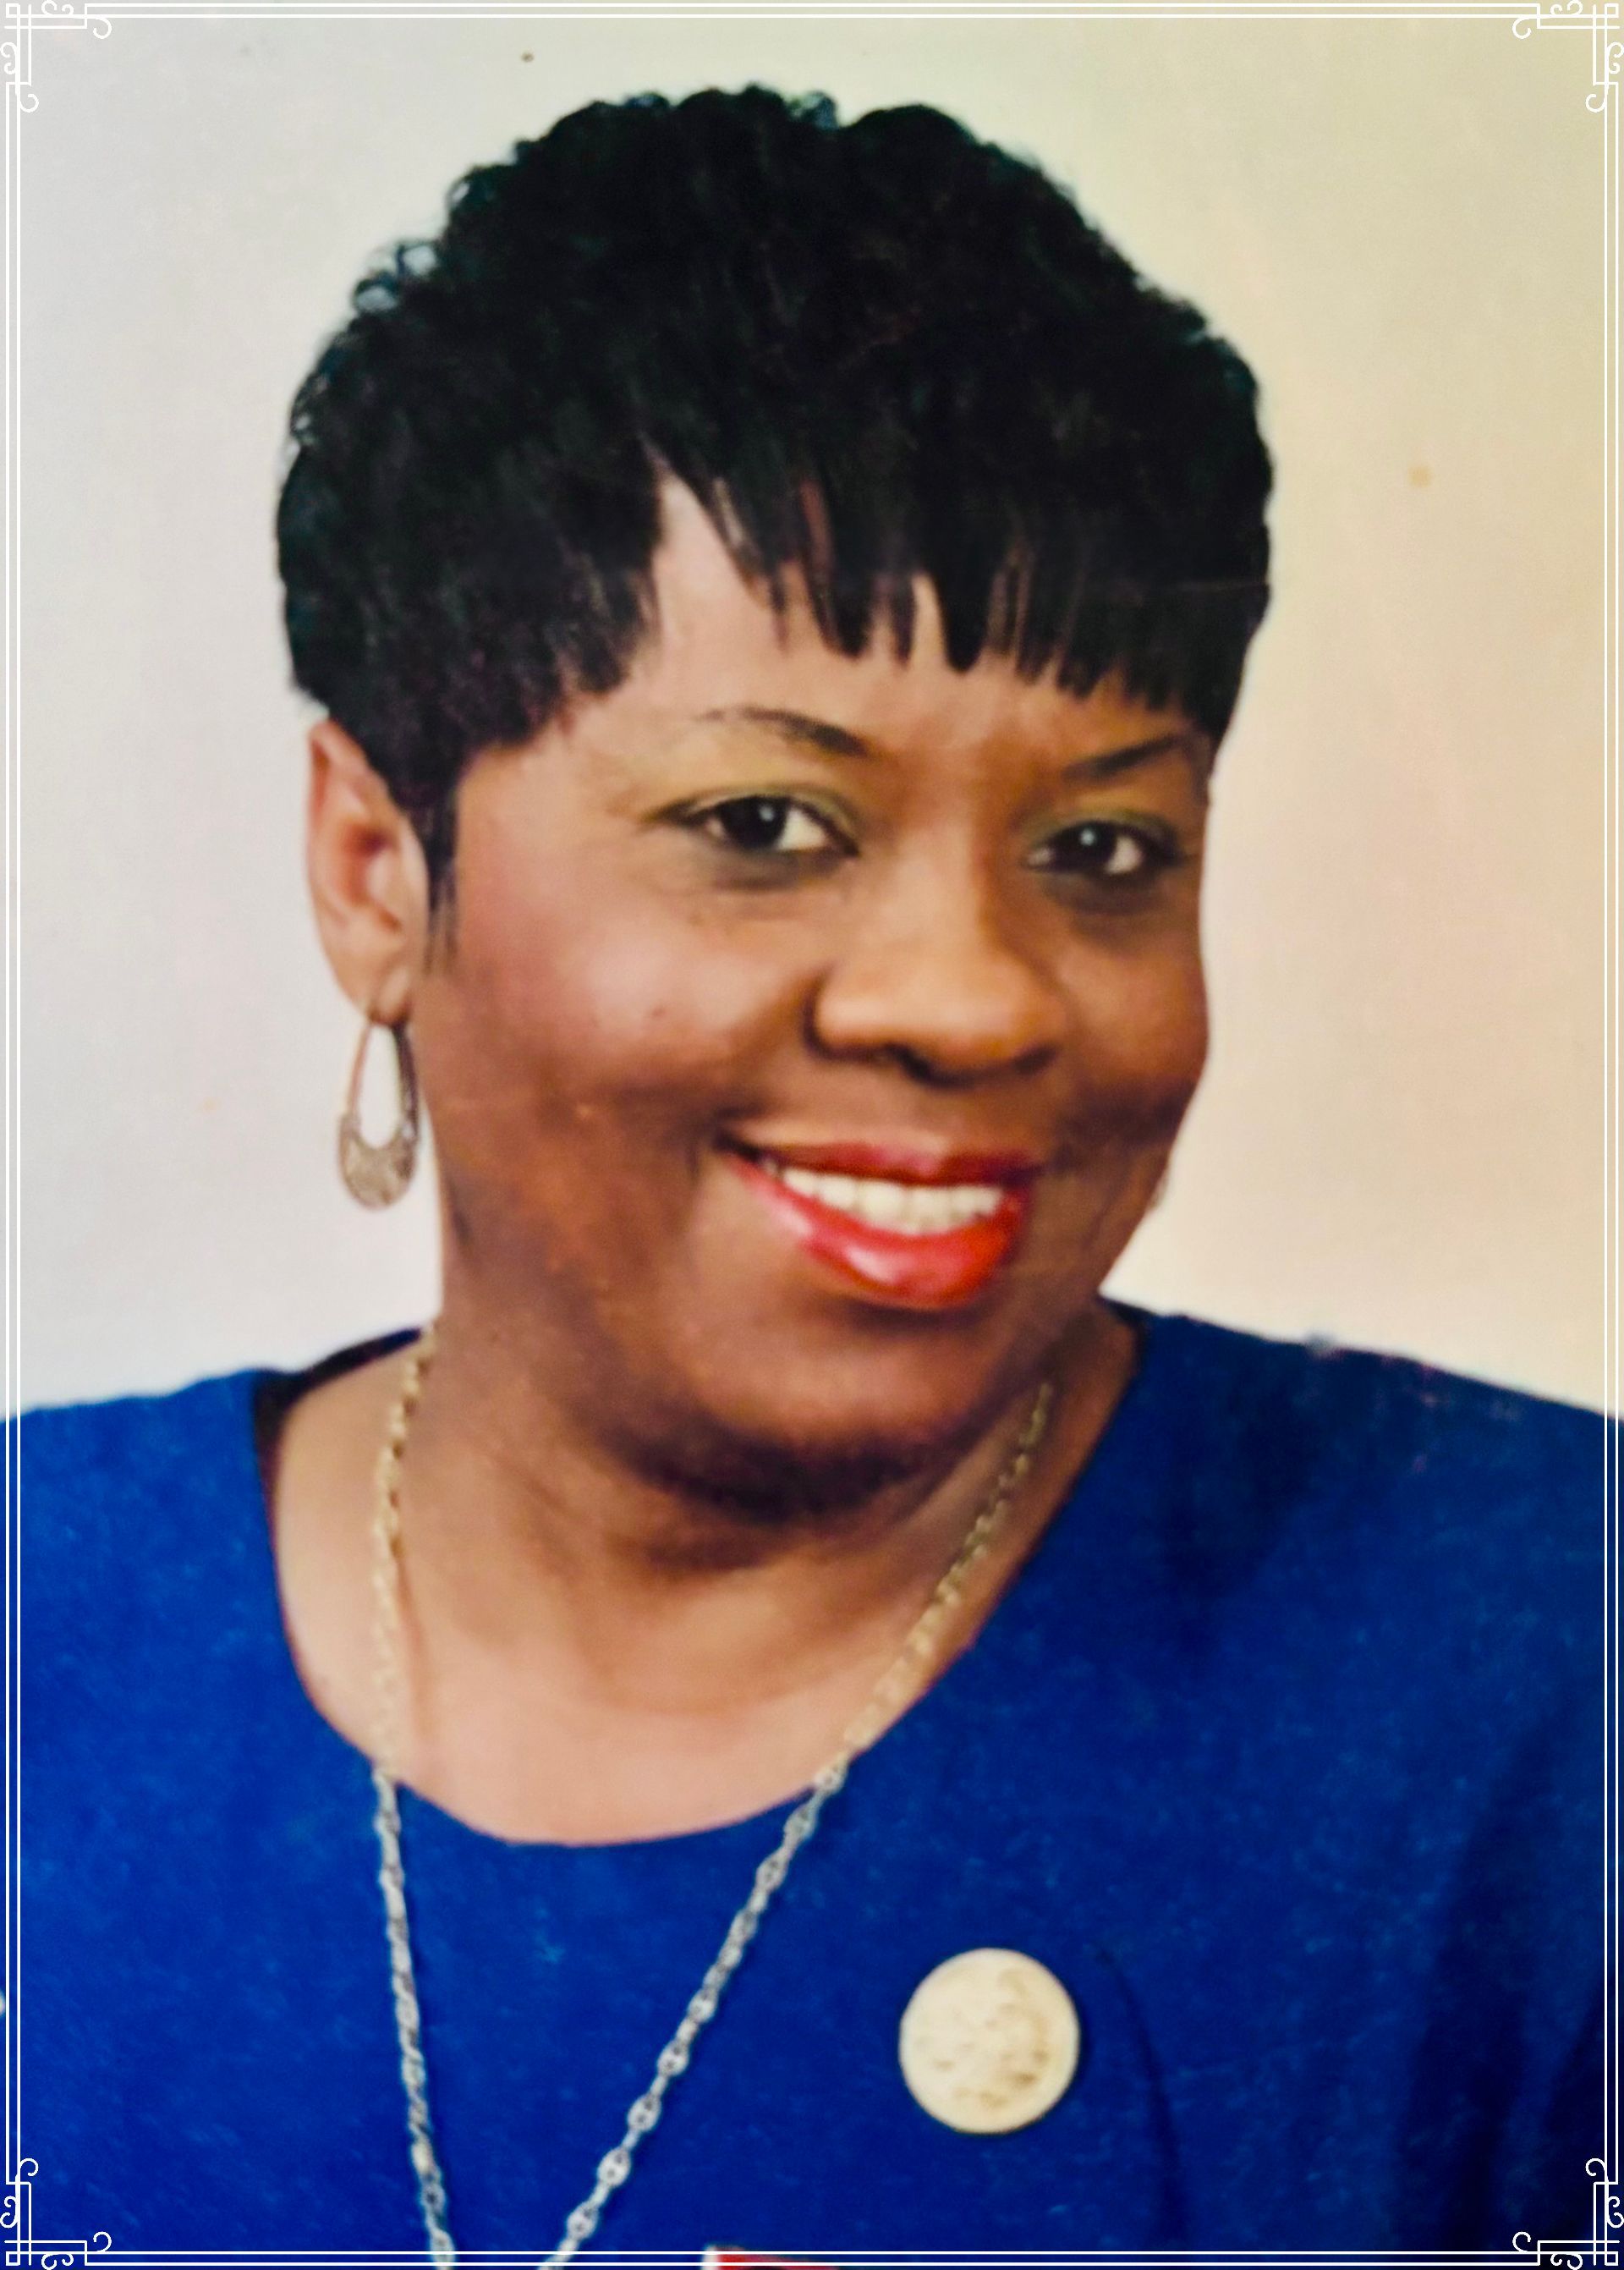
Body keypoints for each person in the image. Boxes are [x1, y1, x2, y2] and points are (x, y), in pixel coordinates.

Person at [21, 86, 1601, 2261]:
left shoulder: (1546, 1684)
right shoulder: (42, 1648)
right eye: (768, 824)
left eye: (1104, 849)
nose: (976, 1000)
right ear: (379, 866)